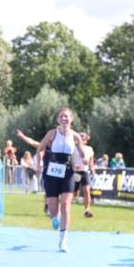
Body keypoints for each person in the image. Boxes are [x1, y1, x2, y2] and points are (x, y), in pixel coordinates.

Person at [35, 107, 89, 252]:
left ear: (71, 119)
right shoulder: (52, 134)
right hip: (52, 171)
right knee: (54, 209)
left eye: (66, 116)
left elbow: (82, 153)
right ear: (58, 119)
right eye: (61, 116)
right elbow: (40, 148)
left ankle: (63, 241)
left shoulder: (76, 136)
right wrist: (38, 164)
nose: (64, 119)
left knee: (65, 204)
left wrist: (84, 159)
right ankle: (54, 217)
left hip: (68, 171)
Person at [73, 132, 96, 217]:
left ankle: (87, 210)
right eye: (80, 137)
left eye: (83, 137)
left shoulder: (89, 149)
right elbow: (70, 159)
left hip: (85, 172)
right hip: (75, 172)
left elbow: (91, 162)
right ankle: (61, 206)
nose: (81, 138)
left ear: (86, 140)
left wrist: (93, 171)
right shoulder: (73, 148)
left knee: (87, 190)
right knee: (74, 194)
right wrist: (74, 165)